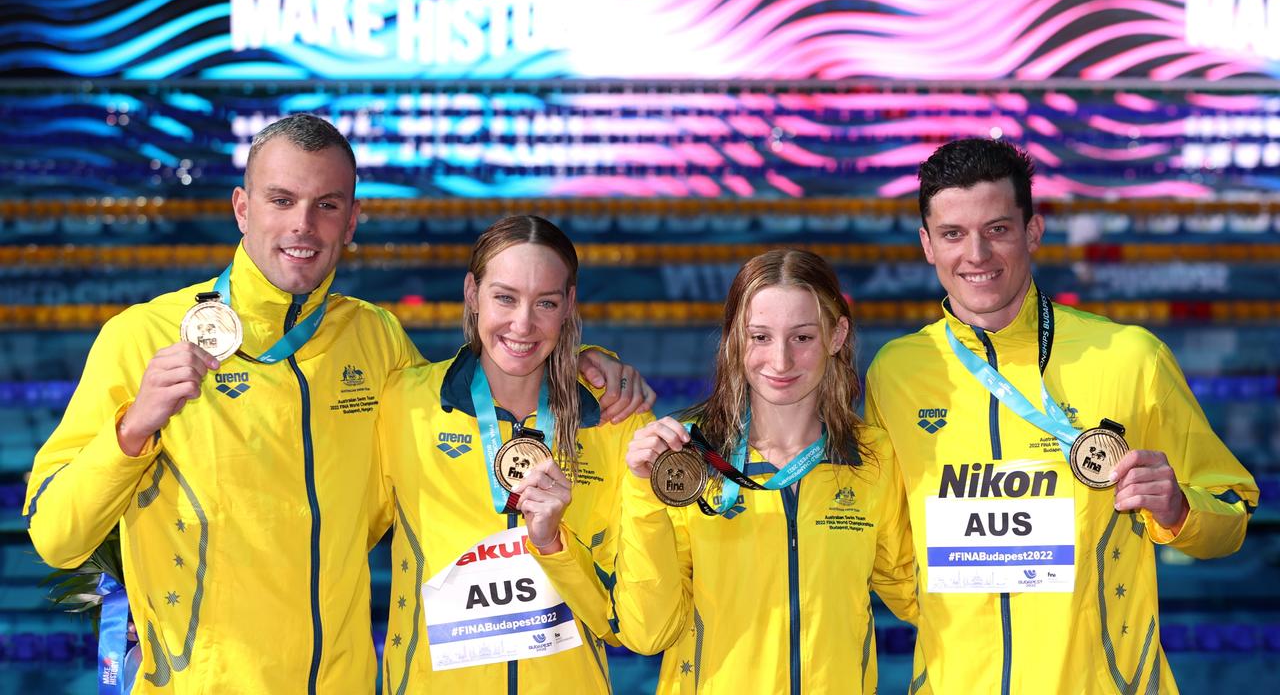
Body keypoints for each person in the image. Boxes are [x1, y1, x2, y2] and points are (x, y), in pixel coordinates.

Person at [22, 115, 653, 694]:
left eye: (326, 205)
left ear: (351, 221)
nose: (303, 225)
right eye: (281, 200)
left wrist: (577, 360)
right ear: (242, 208)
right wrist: (133, 431)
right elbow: (56, 537)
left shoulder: (374, 340)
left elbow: (480, 397)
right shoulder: (143, 337)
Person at [864, 137, 1260, 694]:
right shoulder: (897, 373)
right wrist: (950, 610)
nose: (976, 255)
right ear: (928, 244)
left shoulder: (1130, 358)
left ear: (1032, 232)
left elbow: (1232, 512)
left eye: (997, 229)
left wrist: (1176, 509)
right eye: (954, 234)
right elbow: (886, 540)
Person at [612, 249, 916, 695]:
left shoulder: (871, 458)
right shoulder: (684, 462)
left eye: (802, 338)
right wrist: (643, 494)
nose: (780, 362)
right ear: (736, 339)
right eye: (760, 337)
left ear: (836, 335)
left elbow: (917, 595)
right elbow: (646, 632)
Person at [373, 215, 651, 694]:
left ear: (569, 306)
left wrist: (557, 549)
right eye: (505, 297)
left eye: (545, 302)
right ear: (471, 293)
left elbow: (630, 619)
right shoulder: (405, 402)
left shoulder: (614, 421)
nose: (523, 324)